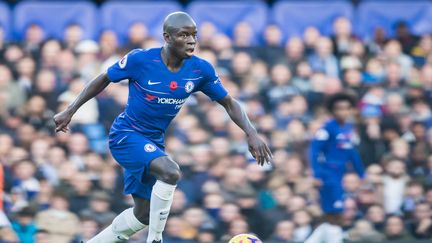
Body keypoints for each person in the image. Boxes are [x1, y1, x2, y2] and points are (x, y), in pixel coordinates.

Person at [53, 12, 272, 243]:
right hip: (126, 135)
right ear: (167, 37)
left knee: (142, 215)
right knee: (171, 172)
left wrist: (252, 133)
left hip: (153, 141)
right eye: (184, 35)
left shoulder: (200, 70)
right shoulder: (141, 60)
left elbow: (228, 102)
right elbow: (103, 78)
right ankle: (156, 239)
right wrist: (70, 110)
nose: (191, 41)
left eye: (194, 35)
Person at [306, 93, 365, 243]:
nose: (343, 112)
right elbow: (314, 151)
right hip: (328, 173)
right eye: (339, 108)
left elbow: (351, 152)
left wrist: (361, 173)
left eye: (346, 108)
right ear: (332, 110)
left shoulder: (348, 128)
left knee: (337, 211)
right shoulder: (327, 128)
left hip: (340, 173)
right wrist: (317, 175)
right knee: (334, 211)